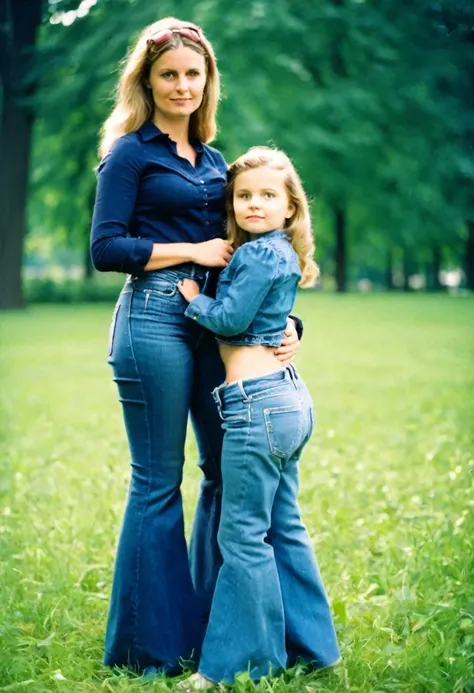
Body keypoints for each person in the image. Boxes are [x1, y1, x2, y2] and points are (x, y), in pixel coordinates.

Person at [90, 18, 301, 675]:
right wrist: (190, 250)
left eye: (193, 73)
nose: (182, 85)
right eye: (168, 74)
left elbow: (256, 257)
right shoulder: (130, 153)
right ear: (147, 82)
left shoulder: (214, 161)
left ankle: (214, 623)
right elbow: (105, 248)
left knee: (221, 472)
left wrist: (289, 325)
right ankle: (149, 648)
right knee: (158, 483)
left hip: (217, 327)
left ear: (208, 81)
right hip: (153, 320)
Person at [177, 146, 341, 687]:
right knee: (284, 527)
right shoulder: (282, 254)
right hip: (289, 400)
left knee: (243, 537)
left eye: (268, 196)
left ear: (291, 207)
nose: (253, 204)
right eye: (243, 196)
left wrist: (194, 297)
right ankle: (314, 649)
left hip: (258, 406)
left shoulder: (255, 256)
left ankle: (235, 666)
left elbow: (229, 320)